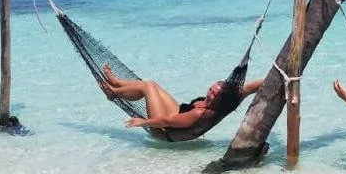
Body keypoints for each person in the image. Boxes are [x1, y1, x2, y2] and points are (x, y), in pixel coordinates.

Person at [99, 64, 263, 130]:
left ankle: (114, 93)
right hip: (176, 111)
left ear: (220, 99)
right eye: (212, 88)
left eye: (214, 93)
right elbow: (250, 87)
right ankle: (116, 82)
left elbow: (166, 122)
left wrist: (143, 122)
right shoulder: (224, 100)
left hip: (165, 127)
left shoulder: (200, 113)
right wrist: (279, 73)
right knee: (152, 84)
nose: (210, 92)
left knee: (147, 87)